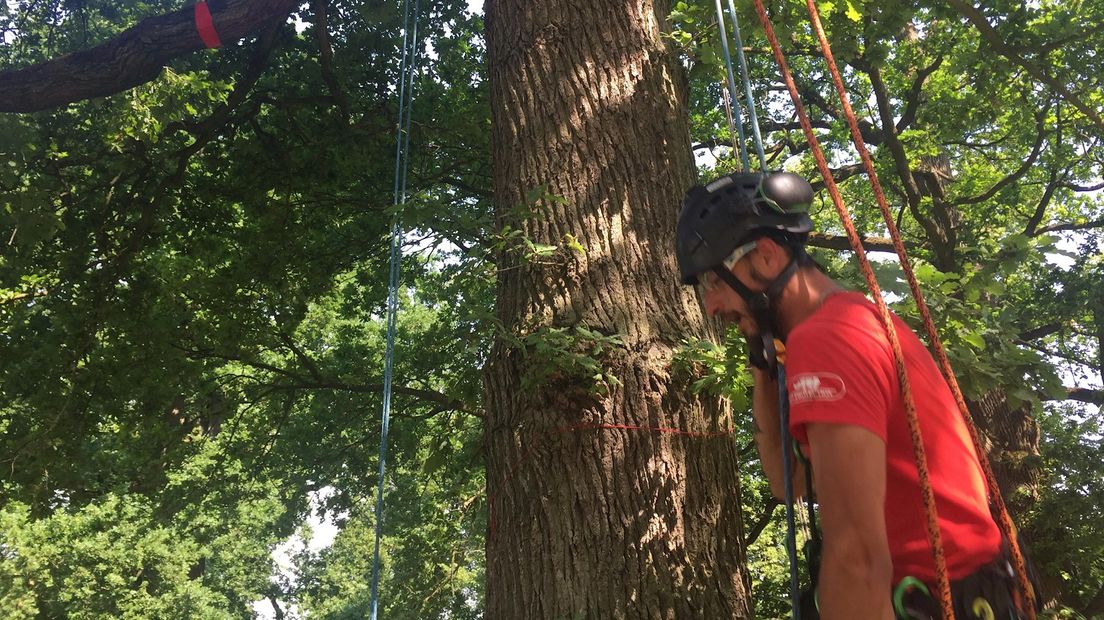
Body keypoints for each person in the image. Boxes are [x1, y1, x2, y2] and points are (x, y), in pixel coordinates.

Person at [675, 171, 1037, 619]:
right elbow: (788, 482)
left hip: (936, 599)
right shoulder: (856, 320)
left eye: (713, 282)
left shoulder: (829, 341)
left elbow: (856, 559)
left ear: (765, 256)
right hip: (975, 595)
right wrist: (763, 367)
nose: (710, 306)